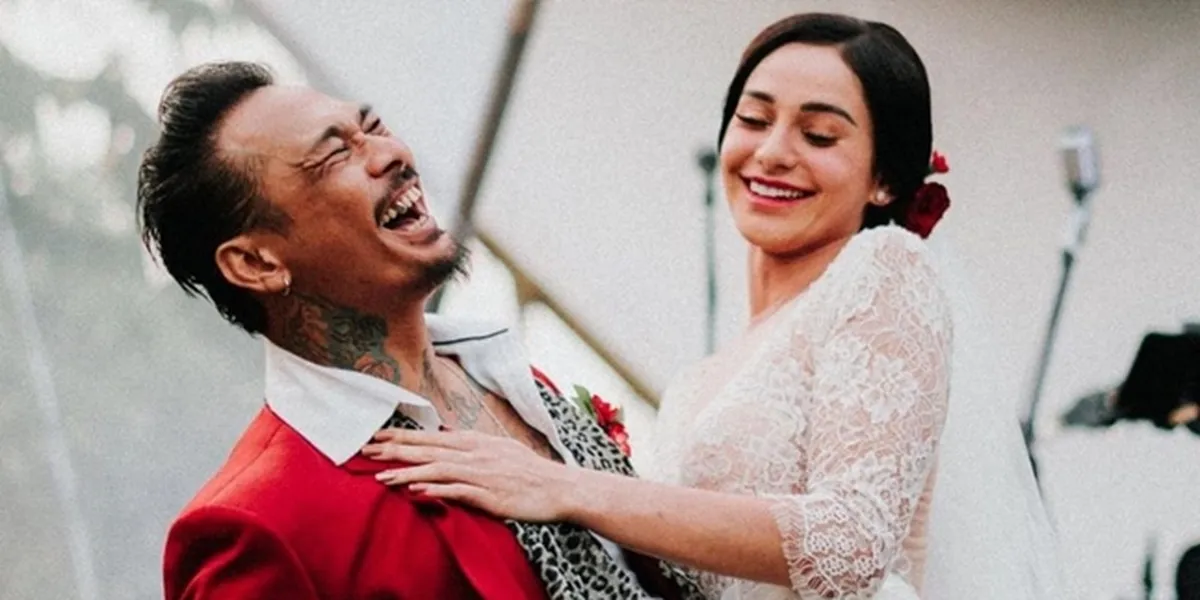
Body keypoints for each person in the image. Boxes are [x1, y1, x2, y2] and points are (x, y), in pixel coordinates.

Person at [366, 13, 1061, 600]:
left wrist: (564, 486)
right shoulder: (704, 379)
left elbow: (850, 545)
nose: (773, 152)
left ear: (884, 178)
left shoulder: (884, 268)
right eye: (753, 119)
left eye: (819, 136)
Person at [140, 61, 702, 599]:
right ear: (256, 263)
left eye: (373, 127)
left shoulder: (511, 379)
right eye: (335, 154)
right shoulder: (261, 523)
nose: (392, 154)